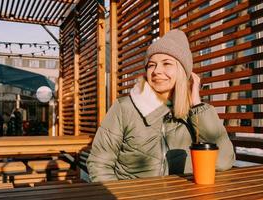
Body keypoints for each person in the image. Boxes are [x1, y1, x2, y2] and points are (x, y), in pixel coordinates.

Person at [86, 29, 235, 182]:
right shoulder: (124, 108)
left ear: (182, 72)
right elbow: (99, 164)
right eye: (151, 65)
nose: (156, 71)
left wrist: (196, 104)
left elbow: (224, 161)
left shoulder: (196, 114)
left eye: (166, 63)